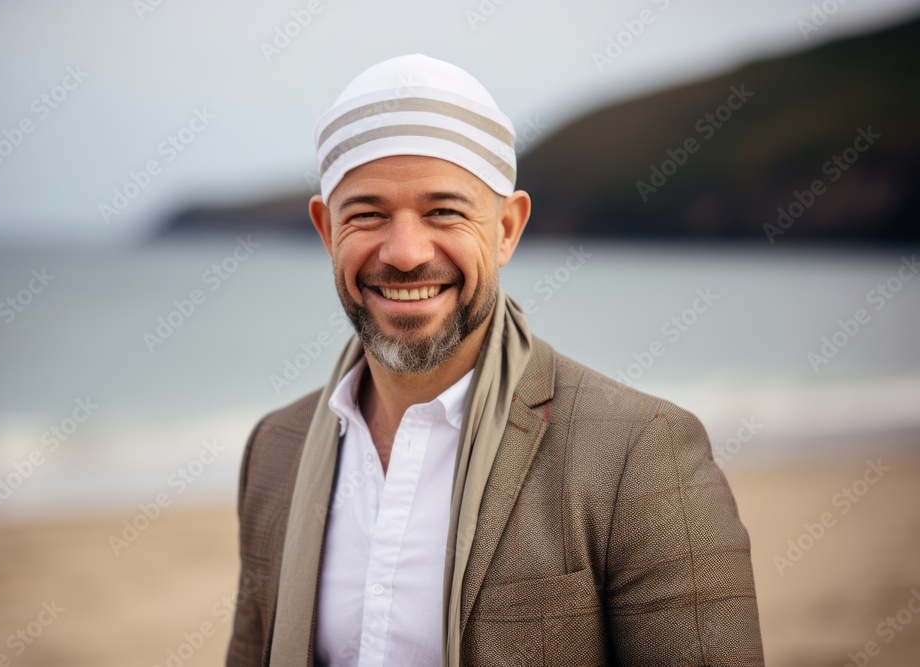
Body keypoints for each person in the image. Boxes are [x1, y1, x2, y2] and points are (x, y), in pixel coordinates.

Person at [226, 53, 764, 666]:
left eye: (444, 212)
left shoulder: (640, 453)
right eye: (368, 214)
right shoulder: (276, 451)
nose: (404, 253)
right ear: (327, 232)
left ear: (506, 229)